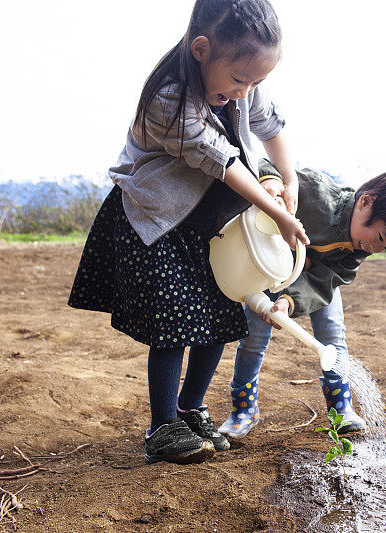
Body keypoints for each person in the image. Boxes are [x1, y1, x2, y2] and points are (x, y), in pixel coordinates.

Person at [67, 0, 308, 465]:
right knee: (174, 324)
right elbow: (224, 163)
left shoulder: (243, 82)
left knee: (218, 316)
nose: (245, 92)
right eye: (240, 80)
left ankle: (191, 409)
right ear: (202, 49)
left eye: (256, 82)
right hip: (154, 219)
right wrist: (274, 210)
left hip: (204, 223)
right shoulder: (168, 99)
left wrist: (289, 178)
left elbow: (270, 124)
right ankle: (162, 427)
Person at [218, 159, 386, 438]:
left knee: (333, 337)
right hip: (272, 271)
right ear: (366, 202)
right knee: (253, 339)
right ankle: (243, 409)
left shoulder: (357, 251)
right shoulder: (314, 191)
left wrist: (289, 302)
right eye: (380, 237)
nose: (374, 248)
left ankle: (340, 408)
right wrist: (271, 183)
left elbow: (325, 282)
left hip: (315, 284)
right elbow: (265, 164)